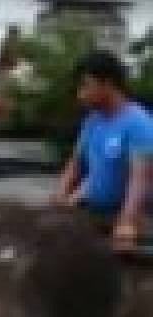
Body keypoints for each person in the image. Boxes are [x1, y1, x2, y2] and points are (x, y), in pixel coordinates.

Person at [55, 49, 153, 253]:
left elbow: (140, 179)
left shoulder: (138, 123)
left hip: (126, 215)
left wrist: (127, 223)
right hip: (93, 210)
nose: (80, 94)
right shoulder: (93, 121)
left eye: (86, 86)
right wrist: (61, 197)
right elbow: (75, 164)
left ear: (107, 84)